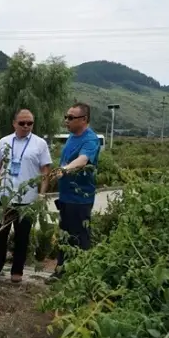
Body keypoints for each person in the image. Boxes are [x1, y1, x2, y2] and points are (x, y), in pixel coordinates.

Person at [0, 109, 52, 283]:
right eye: (22, 123)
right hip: (5, 196)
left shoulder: (40, 144)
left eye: (29, 123)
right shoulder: (4, 142)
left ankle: (17, 271)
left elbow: (45, 170)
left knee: (22, 236)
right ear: (14, 123)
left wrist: (41, 194)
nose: (26, 126)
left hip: (27, 199)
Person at [47, 102, 100, 283]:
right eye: (66, 117)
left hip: (80, 199)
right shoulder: (72, 137)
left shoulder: (90, 139)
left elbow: (83, 159)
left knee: (80, 238)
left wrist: (65, 170)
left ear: (84, 119)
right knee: (64, 236)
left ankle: (80, 277)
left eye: (71, 118)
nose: (66, 121)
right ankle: (61, 271)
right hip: (66, 197)